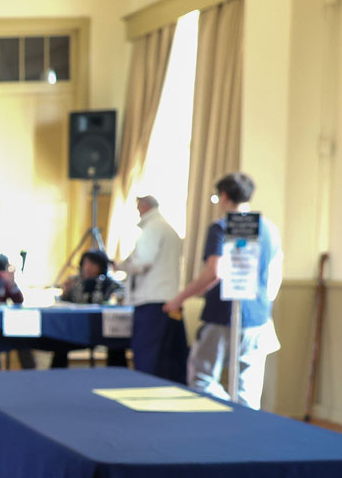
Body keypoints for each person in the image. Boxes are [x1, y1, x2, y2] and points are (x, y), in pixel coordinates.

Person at [165, 172, 284, 408]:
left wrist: (179, 298)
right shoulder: (269, 229)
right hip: (258, 314)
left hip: (223, 313)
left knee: (201, 376)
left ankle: (228, 414)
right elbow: (275, 273)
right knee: (247, 386)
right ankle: (244, 429)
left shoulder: (222, 227)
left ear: (224, 196)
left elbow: (214, 272)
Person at [119, 194, 188, 382]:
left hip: (152, 301)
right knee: (167, 359)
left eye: (138, 206)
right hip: (169, 300)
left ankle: (144, 395)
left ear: (145, 206)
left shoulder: (153, 228)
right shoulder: (167, 228)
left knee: (147, 357)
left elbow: (142, 261)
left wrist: (124, 265)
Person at [52, 250, 126, 368]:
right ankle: (56, 374)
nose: (87, 268)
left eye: (92, 264)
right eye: (85, 264)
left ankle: (117, 374)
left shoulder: (112, 285)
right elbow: (63, 304)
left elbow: (119, 302)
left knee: (117, 343)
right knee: (59, 338)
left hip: (103, 328)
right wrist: (65, 292)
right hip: (77, 328)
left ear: (101, 266)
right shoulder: (75, 282)